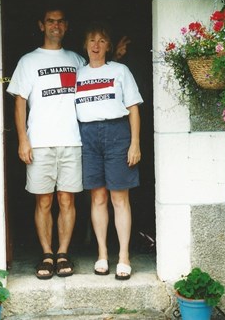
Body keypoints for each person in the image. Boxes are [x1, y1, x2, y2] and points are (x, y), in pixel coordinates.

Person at [7, 7, 85, 279]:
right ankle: (46, 254)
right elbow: (20, 102)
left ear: (66, 26)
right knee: (43, 202)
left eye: (61, 21)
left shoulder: (76, 59)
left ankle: (62, 253)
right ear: (41, 25)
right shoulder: (28, 61)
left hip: (71, 141)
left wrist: (119, 56)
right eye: (51, 21)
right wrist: (22, 140)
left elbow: (99, 79)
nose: (56, 25)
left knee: (67, 200)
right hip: (39, 142)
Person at [75, 21, 143, 280]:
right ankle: (102, 254)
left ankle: (123, 256)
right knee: (98, 197)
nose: (96, 45)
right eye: (91, 40)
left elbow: (133, 107)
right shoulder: (77, 74)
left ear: (108, 46)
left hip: (117, 134)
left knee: (119, 198)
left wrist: (134, 143)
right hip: (88, 135)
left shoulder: (120, 70)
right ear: (84, 45)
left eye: (102, 40)